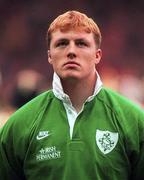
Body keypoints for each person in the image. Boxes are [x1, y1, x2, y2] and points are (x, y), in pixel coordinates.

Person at [0, 10, 144, 180]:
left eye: (81, 43)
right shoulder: (18, 125)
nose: (71, 51)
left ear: (97, 55)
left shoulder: (134, 121)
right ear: (49, 56)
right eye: (62, 43)